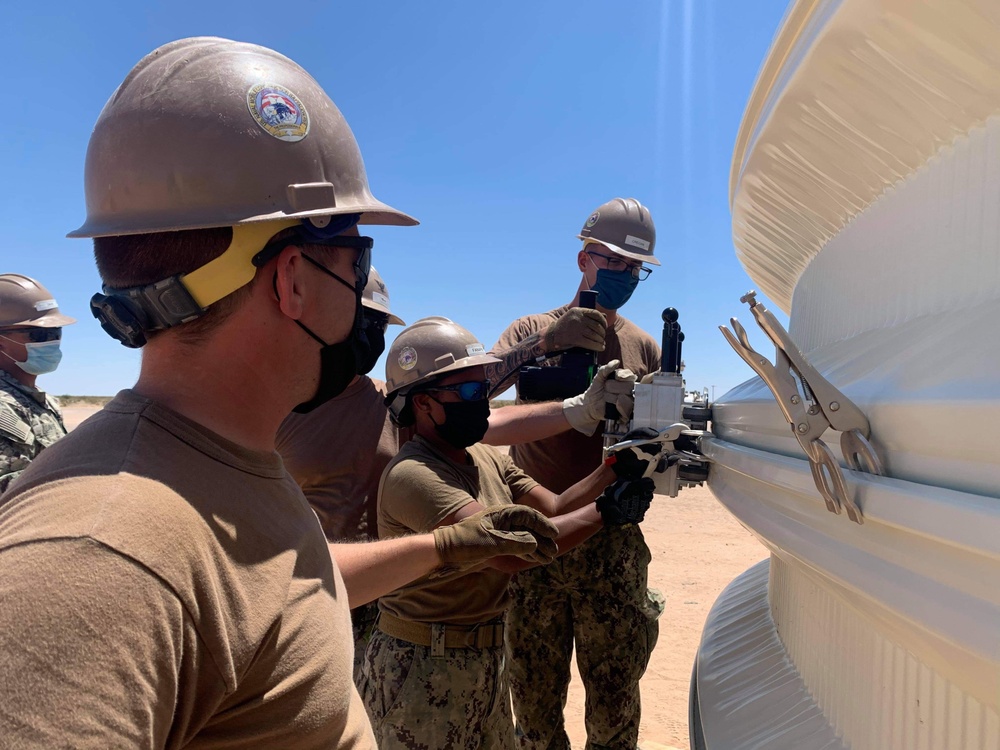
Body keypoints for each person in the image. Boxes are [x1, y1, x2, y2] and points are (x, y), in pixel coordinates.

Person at [0, 37, 557, 748]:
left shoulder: (220, 460)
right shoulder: (96, 556)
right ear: (293, 279)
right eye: (356, 260)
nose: (362, 296)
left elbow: (275, 584)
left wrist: (445, 546)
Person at [361, 316, 655, 748]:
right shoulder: (415, 475)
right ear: (422, 404)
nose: (480, 401)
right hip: (422, 667)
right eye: (466, 392)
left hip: (483, 659)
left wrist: (614, 469)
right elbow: (510, 554)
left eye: (482, 389)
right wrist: (607, 512)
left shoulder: (483, 457)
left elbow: (553, 507)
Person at [491, 198, 665, 750]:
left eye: (634, 268)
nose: (623, 276)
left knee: (615, 705)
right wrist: (546, 345)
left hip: (610, 535)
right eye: (612, 262)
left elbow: (661, 441)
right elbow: (478, 398)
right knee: (534, 706)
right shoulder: (532, 328)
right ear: (583, 259)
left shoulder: (643, 347)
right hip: (534, 537)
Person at [276, 265, 408, 685]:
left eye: (378, 323)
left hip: (386, 597)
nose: (370, 333)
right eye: (362, 319)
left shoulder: (391, 402)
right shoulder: (280, 405)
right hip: (310, 595)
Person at [0, 274, 76, 493]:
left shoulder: (43, 401)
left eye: (56, 332)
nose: (52, 341)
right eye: (39, 334)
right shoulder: (4, 407)